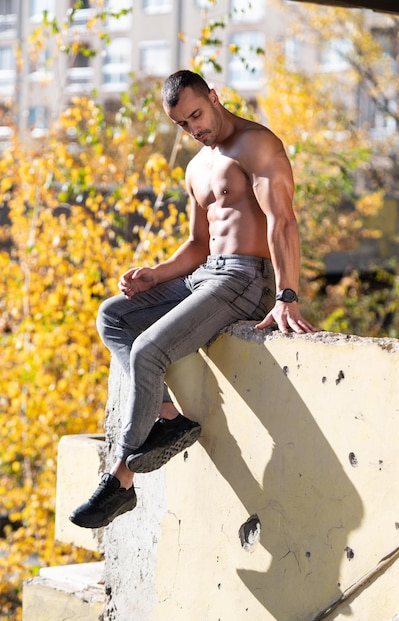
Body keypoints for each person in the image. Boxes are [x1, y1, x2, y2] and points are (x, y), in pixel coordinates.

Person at [69, 69, 315, 529]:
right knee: (115, 317)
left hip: (246, 278)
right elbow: (199, 244)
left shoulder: (257, 144)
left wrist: (287, 295)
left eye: (197, 115)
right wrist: (154, 275)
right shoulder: (196, 167)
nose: (194, 129)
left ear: (215, 97)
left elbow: (283, 220)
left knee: (148, 351)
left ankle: (120, 481)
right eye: (183, 124)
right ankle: (165, 414)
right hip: (207, 274)